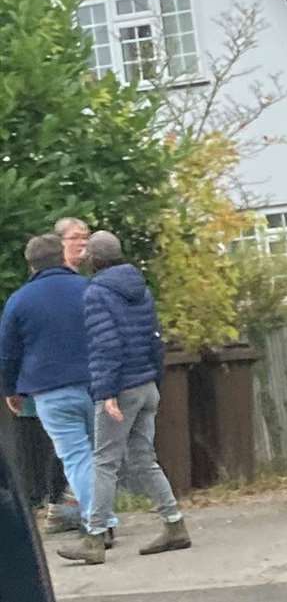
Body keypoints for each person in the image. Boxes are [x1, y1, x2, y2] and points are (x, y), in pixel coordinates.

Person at [57, 231, 190, 566]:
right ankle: (174, 524)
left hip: (121, 388)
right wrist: (154, 381)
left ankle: (94, 537)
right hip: (146, 383)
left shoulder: (97, 293)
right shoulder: (140, 289)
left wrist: (107, 393)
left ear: (95, 260)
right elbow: (153, 340)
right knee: (144, 458)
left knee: (104, 462)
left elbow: (106, 345)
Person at [0, 236, 96, 536]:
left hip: (50, 391)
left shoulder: (20, 300)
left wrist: (11, 390)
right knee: (98, 455)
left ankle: (97, 523)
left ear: (31, 264)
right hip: (97, 386)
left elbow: (8, 352)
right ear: (62, 257)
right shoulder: (89, 290)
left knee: (76, 457)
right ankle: (97, 516)